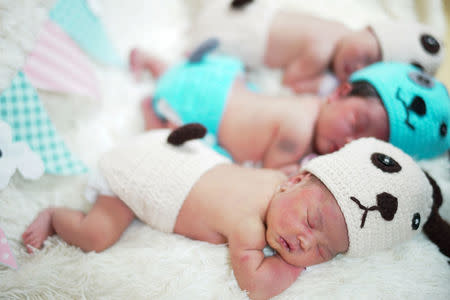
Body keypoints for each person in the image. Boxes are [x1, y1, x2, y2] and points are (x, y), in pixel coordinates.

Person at [22, 126, 449, 300]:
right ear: (296, 179)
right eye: (312, 224)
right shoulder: (248, 226)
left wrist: (317, 240)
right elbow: (257, 285)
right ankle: (57, 216)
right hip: (137, 181)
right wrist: (294, 269)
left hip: (177, 152)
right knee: (98, 235)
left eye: (324, 252)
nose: (304, 242)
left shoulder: (280, 184)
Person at [130, 48, 450, 174]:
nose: (351, 141)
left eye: (367, 143)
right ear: (341, 91)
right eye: (356, 123)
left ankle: (154, 62)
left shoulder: (319, 104)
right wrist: (295, 171)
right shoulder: (298, 134)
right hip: (206, 113)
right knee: (173, 144)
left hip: (224, 85)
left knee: (175, 71)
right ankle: (150, 114)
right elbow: (272, 173)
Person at [189, 0, 445, 94]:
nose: (355, 68)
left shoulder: (341, 29)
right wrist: (325, 84)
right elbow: (292, 81)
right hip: (239, 38)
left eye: (366, 70)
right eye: (366, 56)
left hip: (248, 11)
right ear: (368, 29)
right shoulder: (322, 50)